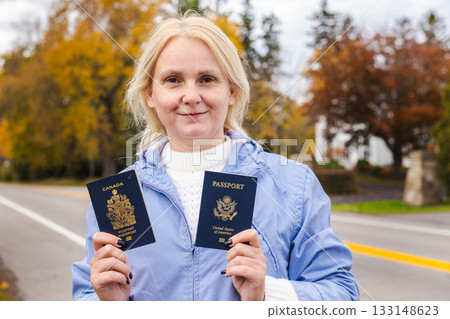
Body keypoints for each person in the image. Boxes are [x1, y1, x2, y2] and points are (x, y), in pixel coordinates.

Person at [72, 12, 359, 301]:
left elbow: (343, 295)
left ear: (232, 91)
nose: (191, 96)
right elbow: (84, 294)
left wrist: (267, 295)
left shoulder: (293, 186)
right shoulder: (117, 196)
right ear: (150, 94)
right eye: (173, 80)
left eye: (207, 79)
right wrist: (107, 305)